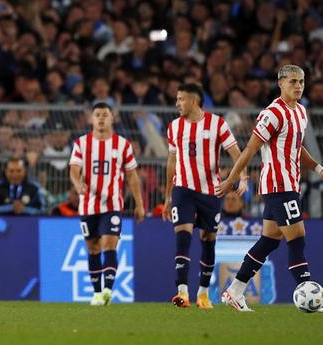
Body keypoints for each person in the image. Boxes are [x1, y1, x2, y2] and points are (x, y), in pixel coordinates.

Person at [216, 65, 323, 312]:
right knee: (297, 239)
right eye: (293, 81)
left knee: (269, 240)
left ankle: (234, 291)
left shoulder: (301, 111)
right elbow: (250, 149)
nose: (298, 86)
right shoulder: (273, 113)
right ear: (281, 83)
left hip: (290, 184)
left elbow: (297, 147)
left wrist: (318, 169)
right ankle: (308, 293)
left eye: (301, 82)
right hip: (277, 185)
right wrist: (232, 178)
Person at [162, 83, 248, 309]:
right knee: (183, 235)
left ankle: (203, 295)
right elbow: (171, 162)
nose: (177, 103)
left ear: (193, 101)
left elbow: (236, 153)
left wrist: (244, 177)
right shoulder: (174, 127)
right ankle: (182, 293)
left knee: (208, 240)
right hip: (183, 189)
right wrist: (168, 196)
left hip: (211, 191)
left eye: (181, 99)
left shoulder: (217, 123)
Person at [69, 102, 145, 306]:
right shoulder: (82, 143)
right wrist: (78, 184)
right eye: (97, 115)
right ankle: (96, 293)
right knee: (93, 248)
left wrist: (139, 204)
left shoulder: (123, 145)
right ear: (91, 119)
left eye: (105, 115)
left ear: (112, 118)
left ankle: (108, 290)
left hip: (112, 204)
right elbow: (74, 169)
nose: (101, 118)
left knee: (110, 243)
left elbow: (132, 176)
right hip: (88, 205)